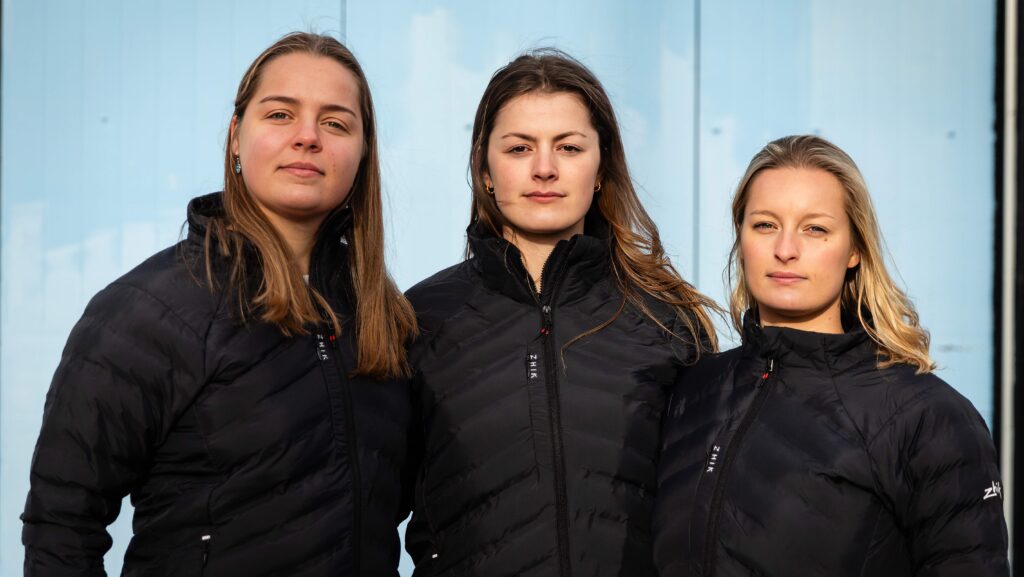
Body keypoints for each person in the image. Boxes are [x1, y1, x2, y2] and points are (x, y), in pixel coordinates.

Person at [22, 32, 417, 577]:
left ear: (363, 152)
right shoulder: (146, 312)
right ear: (236, 137)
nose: (307, 138)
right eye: (280, 115)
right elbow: (61, 529)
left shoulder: (383, 318)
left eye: (335, 122)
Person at [404, 49, 718, 576]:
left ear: (601, 168)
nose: (544, 169)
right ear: (485, 168)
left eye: (569, 147)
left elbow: (704, 515)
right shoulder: (418, 320)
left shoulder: (668, 322)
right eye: (519, 147)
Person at [653, 134, 1009, 576]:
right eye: (764, 224)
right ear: (740, 237)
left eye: (815, 228)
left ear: (855, 249)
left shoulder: (927, 416)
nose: (786, 249)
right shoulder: (692, 392)